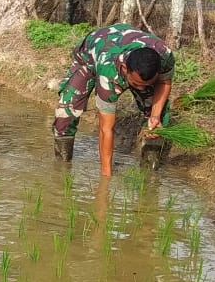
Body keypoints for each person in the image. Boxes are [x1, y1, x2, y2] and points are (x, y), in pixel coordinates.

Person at [52, 23, 174, 177]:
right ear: (124, 68)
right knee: (66, 113)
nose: (141, 89)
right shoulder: (108, 72)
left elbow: (164, 82)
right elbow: (106, 129)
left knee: (158, 120)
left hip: (128, 47)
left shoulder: (164, 55)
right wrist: (106, 179)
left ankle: (149, 170)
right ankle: (62, 166)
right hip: (90, 56)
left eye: (147, 85)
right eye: (136, 84)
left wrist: (155, 116)